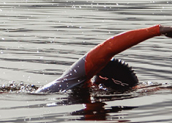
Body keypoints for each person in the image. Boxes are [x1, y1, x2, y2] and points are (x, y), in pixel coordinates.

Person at [37, 24, 172, 94]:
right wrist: (157, 30)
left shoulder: (72, 82)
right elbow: (107, 49)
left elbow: (144, 88)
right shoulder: (74, 80)